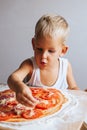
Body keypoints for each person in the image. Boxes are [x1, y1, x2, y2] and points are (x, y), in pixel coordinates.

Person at [7, 14, 79, 108]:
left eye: (51, 51)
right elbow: (12, 78)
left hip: (58, 113)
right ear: (33, 44)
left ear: (63, 50)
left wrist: (82, 94)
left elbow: (73, 88)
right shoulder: (29, 65)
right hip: (32, 112)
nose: (43, 56)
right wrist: (19, 87)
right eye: (39, 49)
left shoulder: (65, 66)